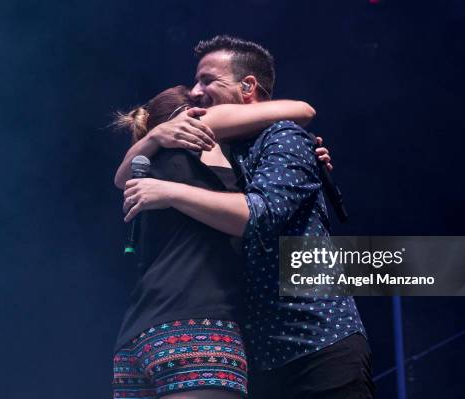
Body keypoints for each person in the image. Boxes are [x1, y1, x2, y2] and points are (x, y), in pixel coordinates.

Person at [122, 35, 375, 399]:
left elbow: (260, 216)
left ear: (248, 86)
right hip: (259, 356)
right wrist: (156, 137)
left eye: (207, 80)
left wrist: (170, 192)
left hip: (315, 343)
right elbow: (124, 176)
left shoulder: (284, 137)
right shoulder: (226, 151)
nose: (195, 92)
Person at [112, 84, 322, 399]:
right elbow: (302, 110)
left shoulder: (154, 166)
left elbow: (118, 178)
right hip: (197, 331)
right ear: (190, 118)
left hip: (136, 339)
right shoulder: (193, 141)